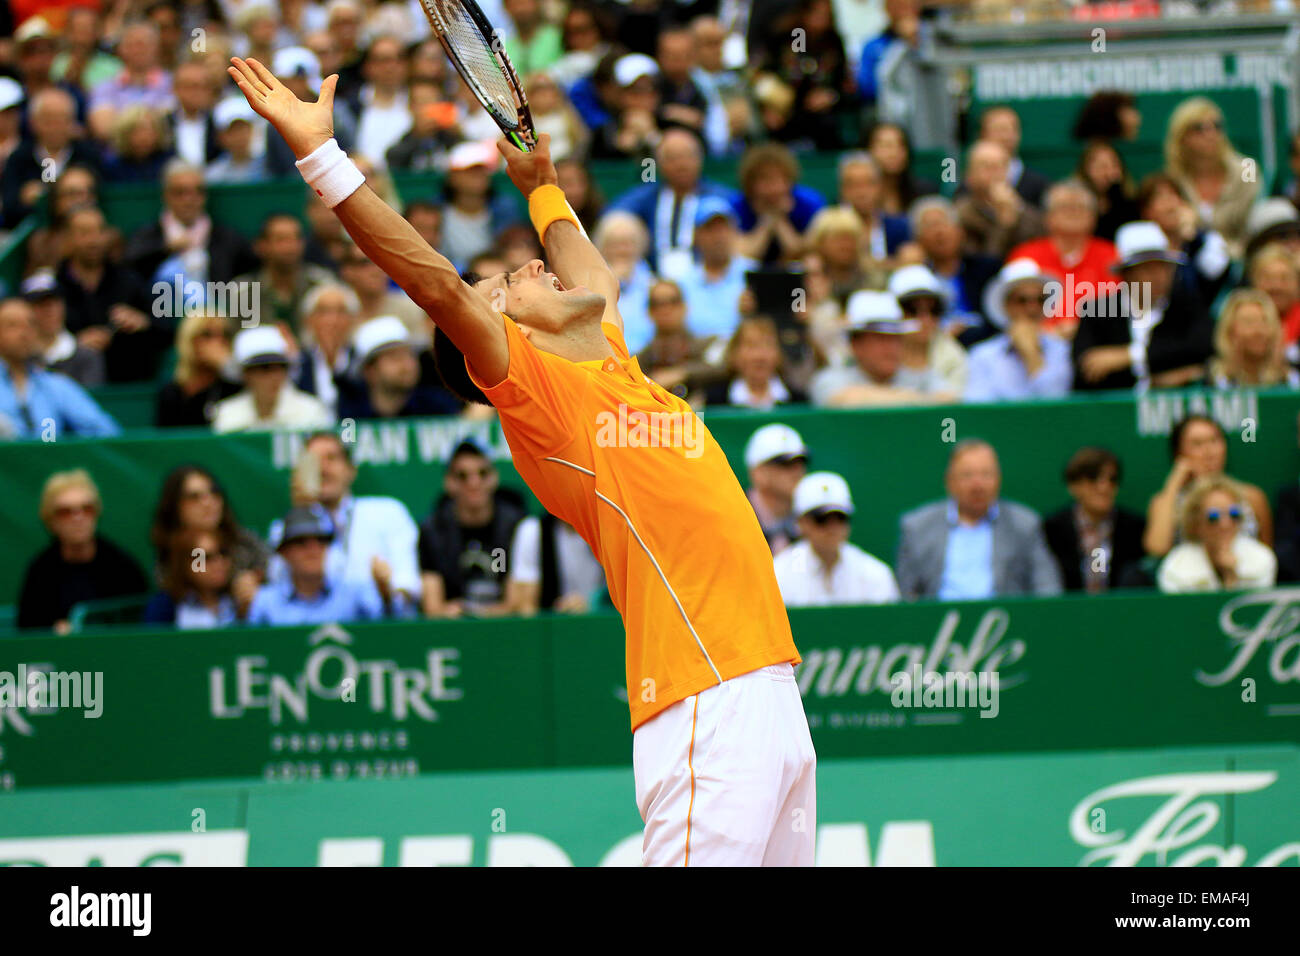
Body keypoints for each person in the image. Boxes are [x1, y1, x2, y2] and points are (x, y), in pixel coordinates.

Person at [229, 56, 812, 864]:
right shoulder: (544, 403)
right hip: (703, 698)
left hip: (774, 692)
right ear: (509, 341)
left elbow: (588, 275)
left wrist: (542, 186)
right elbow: (436, 287)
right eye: (509, 284)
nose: (530, 264)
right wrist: (323, 158)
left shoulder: (610, 364)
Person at [267, 431, 421, 610]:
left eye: (331, 459)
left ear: (351, 470)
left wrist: (386, 592)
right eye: (313, 462)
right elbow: (278, 591)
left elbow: (408, 586)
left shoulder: (388, 512)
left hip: (378, 626)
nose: (322, 469)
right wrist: (302, 514)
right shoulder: (283, 528)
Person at [895, 439, 1062, 600]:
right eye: (967, 475)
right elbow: (906, 594)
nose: (978, 485)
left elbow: (1047, 588)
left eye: (986, 474)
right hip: (937, 624)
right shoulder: (917, 527)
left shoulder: (1025, 525)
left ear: (998, 479)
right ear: (949, 481)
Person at [1072, 221, 1214, 392]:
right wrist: (1163, 372)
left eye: (1165, 268)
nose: (1160, 277)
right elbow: (1088, 366)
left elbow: (1200, 347)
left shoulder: (1187, 305)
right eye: (1148, 270)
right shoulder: (1098, 310)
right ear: (1127, 274)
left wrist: (1130, 356)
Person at [17, 469, 148, 632]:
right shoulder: (40, 572)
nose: (78, 518)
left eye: (87, 509)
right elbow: (28, 630)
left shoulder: (123, 568)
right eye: (65, 512)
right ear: (51, 520)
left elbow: (137, 625)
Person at [419, 440, 528, 618]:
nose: (474, 483)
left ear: (495, 478)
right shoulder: (433, 530)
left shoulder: (516, 526)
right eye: (462, 476)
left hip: (504, 629)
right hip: (453, 629)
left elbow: (517, 604)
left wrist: (475, 612)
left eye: (483, 473)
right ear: (449, 482)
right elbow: (433, 607)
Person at [609, 128, 736, 275]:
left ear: (700, 159)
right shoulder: (648, 196)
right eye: (673, 158)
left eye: (688, 157)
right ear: (659, 163)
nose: (681, 165)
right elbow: (613, 215)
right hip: (653, 280)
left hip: (706, 276)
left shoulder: (720, 197)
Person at [1144, 414, 1273, 557]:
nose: (1209, 451)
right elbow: (1157, 547)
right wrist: (1175, 480)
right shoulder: (1165, 502)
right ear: (1179, 453)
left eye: (1214, 441)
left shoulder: (1251, 497)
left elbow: (1266, 556)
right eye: (1197, 444)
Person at [246, 505, 396, 625]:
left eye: (321, 541)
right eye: (301, 542)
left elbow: (389, 632)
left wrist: (385, 594)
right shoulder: (265, 601)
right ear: (284, 552)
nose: (313, 550)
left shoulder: (353, 594)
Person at [1006, 180, 1119, 338]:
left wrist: (1081, 329)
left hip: (1096, 343)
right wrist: (1050, 332)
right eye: (1064, 207)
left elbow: (1120, 309)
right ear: (1047, 217)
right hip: (1038, 341)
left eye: (1081, 207)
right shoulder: (1026, 255)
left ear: (1094, 217)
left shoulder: (1112, 256)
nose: (1073, 212)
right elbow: (1013, 309)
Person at [0, 297, 120, 440]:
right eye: (13, 325)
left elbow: (108, 432)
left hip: (50, 460)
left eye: (30, 324)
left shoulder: (56, 385)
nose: (24, 333)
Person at [773, 471, 899, 606]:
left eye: (840, 517)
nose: (832, 527)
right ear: (801, 522)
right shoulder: (779, 573)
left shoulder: (875, 574)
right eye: (821, 519)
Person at [122, 160, 258, 285]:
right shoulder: (147, 236)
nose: (189, 200)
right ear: (166, 196)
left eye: (197, 192)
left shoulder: (226, 237)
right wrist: (165, 250)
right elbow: (131, 269)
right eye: (180, 192)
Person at [149, 463, 268, 604]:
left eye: (214, 492)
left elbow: (275, 572)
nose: (208, 502)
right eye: (194, 497)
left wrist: (257, 581)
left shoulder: (246, 542)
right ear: (175, 507)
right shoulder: (169, 555)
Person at [809, 290, 948, 407]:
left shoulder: (921, 377)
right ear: (855, 345)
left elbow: (948, 399)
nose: (891, 347)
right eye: (881, 339)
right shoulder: (830, 378)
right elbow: (843, 399)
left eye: (896, 338)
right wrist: (919, 399)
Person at [1163, 96, 1260, 257]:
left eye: (1217, 126)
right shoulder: (1173, 178)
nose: (1211, 134)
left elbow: (1251, 219)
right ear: (1182, 136)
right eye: (1199, 128)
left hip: (1243, 255)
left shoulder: (1247, 168)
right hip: (1192, 258)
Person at [966, 258, 1072, 402]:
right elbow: (979, 409)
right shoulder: (982, 356)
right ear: (1006, 306)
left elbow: (1056, 405)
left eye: (1040, 300)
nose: (1032, 309)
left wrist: (1031, 355)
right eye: (1022, 300)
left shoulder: (1061, 350)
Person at [1043, 447, 1147, 593]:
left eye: (1112, 479)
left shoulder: (1134, 527)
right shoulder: (1053, 529)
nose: (1104, 487)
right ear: (1074, 485)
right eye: (1093, 478)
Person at [1157, 477, 1277, 594]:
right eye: (1213, 517)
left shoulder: (1261, 558)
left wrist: (1231, 577)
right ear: (1195, 523)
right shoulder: (1176, 567)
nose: (1225, 524)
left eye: (1234, 514)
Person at [1137, 171, 1231, 308]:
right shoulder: (1139, 245)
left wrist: (1193, 238)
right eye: (1159, 197)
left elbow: (1214, 277)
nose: (1170, 203)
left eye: (1173, 195)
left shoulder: (1204, 241)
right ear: (1146, 211)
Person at [212, 326, 333, 432]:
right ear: (246, 374)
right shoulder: (227, 415)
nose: (274, 376)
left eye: (281, 367)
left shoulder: (311, 412)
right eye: (265, 369)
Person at [337, 316, 461, 419]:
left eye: (410, 355)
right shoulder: (350, 412)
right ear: (370, 371)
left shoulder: (437, 407)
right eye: (395, 358)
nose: (407, 365)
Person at [233, 214, 335, 334]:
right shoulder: (242, 292)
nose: (290, 247)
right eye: (281, 240)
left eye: (295, 239)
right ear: (261, 246)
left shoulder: (323, 285)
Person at [676, 197, 756, 341]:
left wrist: (753, 314)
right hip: (696, 357)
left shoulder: (755, 274)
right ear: (696, 236)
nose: (718, 237)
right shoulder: (681, 283)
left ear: (734, 232)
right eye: (710, 230)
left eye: (723, 229)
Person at [734, 142, 824, 265]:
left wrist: (781, 221)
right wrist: (767, 221)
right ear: (750, 183)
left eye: (778, 179)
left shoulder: (809, 203)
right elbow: (742, 256)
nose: (773, 188)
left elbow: (803, 253)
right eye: (765, 179)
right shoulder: (736, 206)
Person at [635, 277, 723, 400]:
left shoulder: (706, 345)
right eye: (657, 304)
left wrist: (681, 373)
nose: (665, 309)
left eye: (673, 301)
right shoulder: (640, 360)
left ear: (684, 307)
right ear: (649, 312)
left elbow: (723, 368)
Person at [955, 140, 1044, 259]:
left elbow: (1040, 241)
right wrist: (1004, 224)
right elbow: (983, 263)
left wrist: (1018, 209)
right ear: (969, 176)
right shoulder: (961, 215)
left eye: (1002, 166)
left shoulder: (1023, 208)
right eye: (986, 166)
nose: (996, 172)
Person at [505, 510, 606, 614]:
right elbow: (525, 605)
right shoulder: (533, 530)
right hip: (551, 626)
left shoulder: (608, 529)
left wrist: (591, 604)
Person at [144, 527, 247, 628]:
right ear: (184, 564)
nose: (219, 563)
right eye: (205, 557)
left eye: (223, 553)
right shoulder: (164, 607)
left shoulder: (242, 599)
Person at [889, 264, 967, 396]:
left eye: (933, 310)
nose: (925, 319)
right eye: (912, 310)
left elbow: (953, 406)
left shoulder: (953, 356)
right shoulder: (877, 351)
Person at [154, 310, 240, 428]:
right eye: (207, 334)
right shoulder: (172, 391)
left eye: (224, 335)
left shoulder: (234, 385)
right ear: (190, 339)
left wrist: (226, 364)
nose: (218, 342)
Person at [703, 316, 806, 409]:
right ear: (734, 354)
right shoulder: (715, 402)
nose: (760, 356)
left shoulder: (798, 402)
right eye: (751, 346)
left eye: (768, 346)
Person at [22, 270, 104, 387]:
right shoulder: (17, 357)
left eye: (54, 303)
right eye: (40, 305)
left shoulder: (86, 356)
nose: (49, 311)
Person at [590, 211, 656, 353]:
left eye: (628, 244)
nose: (622, 250)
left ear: (640, 246)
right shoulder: (590, 287)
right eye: (614, 244)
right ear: (602, 248)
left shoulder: (653, 285)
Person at [1206, 289, 1299, 388]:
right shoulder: (1212, 381)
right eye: (1249, 322)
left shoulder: (1291, 379)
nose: (1258, 331)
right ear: (1229, 332)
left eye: (1264, 321)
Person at [293, 283, 361, 416]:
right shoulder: (298, 364)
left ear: (353, 319)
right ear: (308, 320)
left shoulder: (362, 362)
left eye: (341, 312)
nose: (332, 320)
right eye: (323, 312)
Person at [743, 423, 810, 555]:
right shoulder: (736, 517)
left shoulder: (812, 519)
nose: (797, 471)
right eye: (784, 463)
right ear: (758, 472)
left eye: (801, 461)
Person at [978, 105, 1052, 208]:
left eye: (1013, 129)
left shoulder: (1039, 184)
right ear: (983, 134)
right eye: (1000, 130)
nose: (1007, 136)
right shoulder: (970, 186)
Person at [867, 121, 938, 217]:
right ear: (869, 150)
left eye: (900, 145)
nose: (894, 152)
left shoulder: (925, 193)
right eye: (886, 146)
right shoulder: (861, 193)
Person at [1075, 140, 1140, 243]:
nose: (1108, 172)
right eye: (1102, 166)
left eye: (1114, 166)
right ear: (1086, 169)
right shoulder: (1076, 203)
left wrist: (1116, 192)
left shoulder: (1129, 205)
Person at [204, 96, 267, 183]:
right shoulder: (213, 174)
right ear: (220, 136)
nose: (239, 136)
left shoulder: (268, 167)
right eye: (232, 131)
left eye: (243, 128)